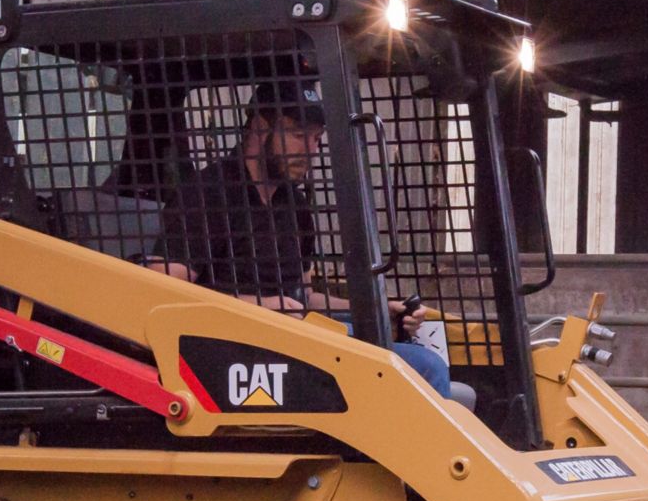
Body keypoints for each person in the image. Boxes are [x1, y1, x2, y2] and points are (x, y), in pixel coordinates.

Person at [154, 81, 455, 395]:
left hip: (294, 342)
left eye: (317, 138)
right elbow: (162, 293)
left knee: (417, 354)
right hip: (236, 356)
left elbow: (304, 297)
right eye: (299, 135)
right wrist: (255, 306)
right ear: (259, 128)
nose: (312, 150)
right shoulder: (206, 195)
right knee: (424, 367)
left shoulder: (294, 205)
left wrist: (377, 310)